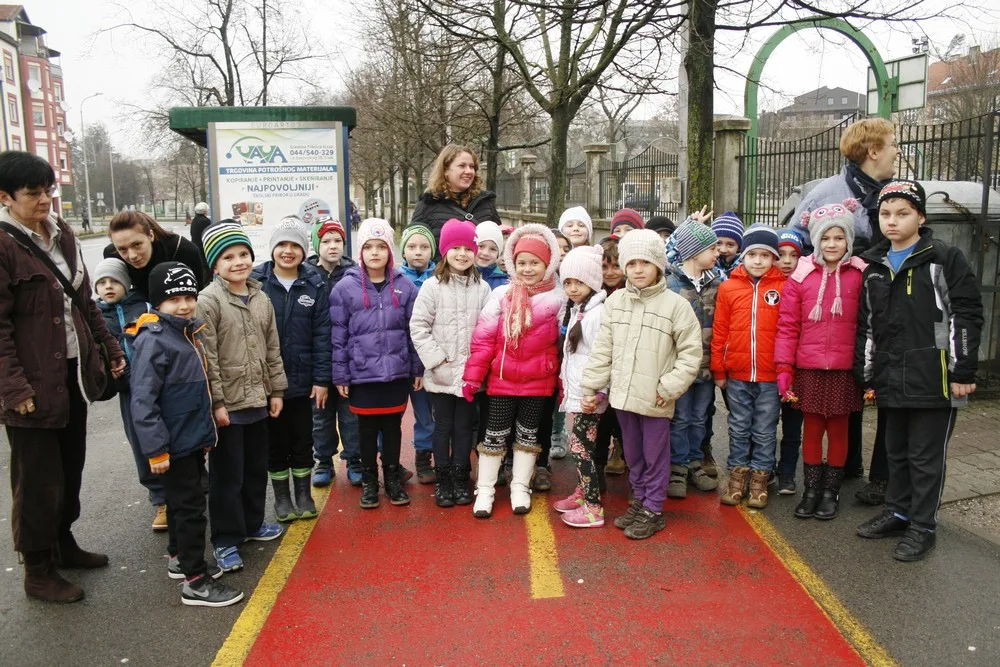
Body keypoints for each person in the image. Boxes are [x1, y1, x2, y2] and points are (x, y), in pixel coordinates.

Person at [0, 151, 125, 603]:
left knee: (71, 465)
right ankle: (37, 570)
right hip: (28, 382)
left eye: (48, 190)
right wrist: (14, 388)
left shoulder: (63, 234)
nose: (45, 200)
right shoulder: (3, 244)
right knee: (37, 478)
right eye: (33, 193)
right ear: (5, 197)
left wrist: (109, 348)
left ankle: (62, 542)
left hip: (69, 371)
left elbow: (84, 301)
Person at [855, 180, 983, 562]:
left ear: (921, 217)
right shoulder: (874, 265)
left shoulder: (943, 258)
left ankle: (923, 525)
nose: (892, 222)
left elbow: (966, 315)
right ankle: (899, 511)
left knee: (926, 457)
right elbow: (869, 325)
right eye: (885, 214)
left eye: (902, 213)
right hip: (891, 377)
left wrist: (962, 372)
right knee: (896, 451)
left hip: (935, 377)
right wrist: (868, 373)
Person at [129, 261, 244, 607]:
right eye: (173, 298)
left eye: (189, 296)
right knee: (191, 508)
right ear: (157, 302)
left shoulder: (188, 332)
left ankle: (180, 558)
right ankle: (196, 581)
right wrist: (156, 450)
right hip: (173, 445)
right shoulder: (154, 341)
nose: (183, 305)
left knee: (186, 503)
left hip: (191, 439)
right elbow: (143, 402)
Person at [582, 229, 702, 540]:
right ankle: (640, 499)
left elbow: (691, 353)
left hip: (655, 399)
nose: (637, 269)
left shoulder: (675, 306)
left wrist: (669, 387)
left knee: (655, 454)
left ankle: (654, 507)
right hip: (623, 396)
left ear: (659, 265)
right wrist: (592, 388)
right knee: (633, 453)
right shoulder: (617, 302)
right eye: (631, 263)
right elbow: (603, 348)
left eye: (645, 263)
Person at [198, 220, 287, 572]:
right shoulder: (209, 301)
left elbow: (272, 348)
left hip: (258, 401)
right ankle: (225, 539)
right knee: (227, 477)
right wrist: (217, 403)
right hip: (229, 407)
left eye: (244, 254)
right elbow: (209, 357)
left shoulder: (261, 297)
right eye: (228, 256)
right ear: (215, 265)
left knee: (254, 470)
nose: (238, 262)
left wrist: (277, 389)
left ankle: (251, 524)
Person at [463, 224, 563, 518]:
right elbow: (483, 338)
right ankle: (486, 488)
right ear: (512, 263)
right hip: (502, 380)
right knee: (494, 434)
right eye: (522, 263)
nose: (528, 269)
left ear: (548, 264)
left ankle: (521, 485)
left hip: (538, 381)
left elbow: (564, 345)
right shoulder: (501, 295)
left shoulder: (558, 299)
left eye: (535, 263)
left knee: (529, 435)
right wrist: (473, 376)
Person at [775, 201, 867, 521]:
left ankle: (831, 491)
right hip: (809, 367)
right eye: (825, 238)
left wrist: (870, 371)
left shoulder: (860, 275)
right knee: (812, 430)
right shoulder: (801, 277)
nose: (831, 244)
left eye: (839, 238)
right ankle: (811, 489)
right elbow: (788, 326)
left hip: (845, 369)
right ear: (815, 239)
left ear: (848, 241)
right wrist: (784, 369)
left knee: (839, 431)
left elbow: (870, 325)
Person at [330, 218, 423, 509]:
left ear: (390, 251)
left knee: (393, 430)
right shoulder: (345, 289)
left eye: (380, 246)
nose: (374, 252)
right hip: (362, 375)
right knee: (366, 432)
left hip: (396, 374)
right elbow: (338, 336)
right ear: (360, 252)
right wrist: (341, 374)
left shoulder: (405, 287)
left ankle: (393, 479)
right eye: (368, 247)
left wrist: (417, 368)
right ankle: (370, 482)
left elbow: (414, 331)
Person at [251, 218, 331, 522]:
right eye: (282, 245)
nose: (288, 251)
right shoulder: (256, 281)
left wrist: (322, 379)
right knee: (274, 443)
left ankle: (303, 494)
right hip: (268, 383)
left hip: (302, 380)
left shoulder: (314, 283)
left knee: (302, 440)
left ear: (304, 250)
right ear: (273, 249)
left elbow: (323, 335)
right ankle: (282, 498)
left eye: (295, 245)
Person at [410, 219, 491, 507]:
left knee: (464, 426)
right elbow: (419, 326)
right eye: (455, 247)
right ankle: (443, 477)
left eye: (467, 248)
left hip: (470, 373)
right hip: (441, 372)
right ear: (445, 251)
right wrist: (436, 359)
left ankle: (460, 476)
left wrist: (479, 365)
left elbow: (488, 328)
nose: (461, 254)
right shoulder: (432, 287)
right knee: (442, 425)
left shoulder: (481, 288)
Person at [712, 225, 786, 509]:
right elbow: (720, 330)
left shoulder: (783, 288)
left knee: (765, 429)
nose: (758, 261)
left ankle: (760, 478)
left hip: (769, 376)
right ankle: (737, 477)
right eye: (752, 254)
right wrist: (719, 369)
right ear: (743, 256)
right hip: (738, 374)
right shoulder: (729, 287)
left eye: (765, 255)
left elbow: (789, 330)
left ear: (773, 258)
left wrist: (784, 372)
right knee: (739, 426)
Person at [95, 257, 165, 529]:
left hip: (158, 386)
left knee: (171, 435)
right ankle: (160, 500)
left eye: (114, 281)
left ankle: (186, 488)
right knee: (141, 443)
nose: (108, 287)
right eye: (102, 283)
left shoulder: (144, 307)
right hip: (129, 391)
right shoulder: (98, 318)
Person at [665, 219, 723, 499]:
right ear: (692, 252)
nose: (718, 253)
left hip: (707, 369)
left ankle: (695, 461)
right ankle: (677, 465)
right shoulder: (670, 284)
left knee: (700, 418)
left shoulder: (718, 282)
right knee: (680, 418)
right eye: (712, 248)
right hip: (679, 369)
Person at [553, 245, 609, 528]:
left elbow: (604, 356)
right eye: (568, 283)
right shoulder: (579, 310)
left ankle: (593, 506)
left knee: (580, 449)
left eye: (579, 282)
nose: (573, 288)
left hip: (590, 396)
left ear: (593, 282)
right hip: (578, 393)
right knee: (581, 448)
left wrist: (598, 392)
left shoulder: (598, 314)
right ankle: (583, 493)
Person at [307, 216, 362, 486]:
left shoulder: (354, 273)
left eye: (338, 241)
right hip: (317, 358)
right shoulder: (306, 274)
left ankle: (354, 459)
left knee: (351, 414)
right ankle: (324, 460)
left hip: (348, 357)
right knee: (321, 415)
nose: (332, 246)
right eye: (326, 241)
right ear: (317, 244)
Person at [790, 118, 898, 254]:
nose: (898, 151)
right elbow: (793, 247)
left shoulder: (900, 194)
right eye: (894, 144)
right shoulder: (823, 196)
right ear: (873, 152)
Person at [399, 224, 438, 484]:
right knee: (391, 416)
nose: (418, 252)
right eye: (411, 247)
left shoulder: (439, 280)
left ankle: (424, 457)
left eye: (424, 247)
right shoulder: (396, 280)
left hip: (428, 363)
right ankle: (388, 461)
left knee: (426, 415)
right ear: (403, 251)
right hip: (399, 362)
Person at [410, 144, 501, 250]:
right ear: (445, 170)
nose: (469, 171)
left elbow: (499, 244)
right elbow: (414, 247)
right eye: (462, 166)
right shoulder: (428, 204)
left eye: (471, 166)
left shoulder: (484, 202)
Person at [104, 210, 209, 299]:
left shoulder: (183, 250)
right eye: (122, 249)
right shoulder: (113, 256)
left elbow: (196, 297)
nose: (132, 256)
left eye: (137, 245)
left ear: (150, 235)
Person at [773, 230, 805, 495]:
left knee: (793, 427)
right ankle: (766, 468)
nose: (786, 261)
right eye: (781, 255)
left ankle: (787, 474)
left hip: (796, 369)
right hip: (766, 369)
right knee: (765, 424)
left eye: (793, 255)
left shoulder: (806, 284)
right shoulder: (764, 285)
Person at [474, 221, 509, 290]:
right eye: (481, 246)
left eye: (493, 249)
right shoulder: (460, 275)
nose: (486, 253)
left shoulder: (503, 283)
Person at [711, 211, 744, 277]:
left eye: (730, 245)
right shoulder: (705, 264)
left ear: (739, 248)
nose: (723, 250)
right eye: (718, 243)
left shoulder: (746, 269)